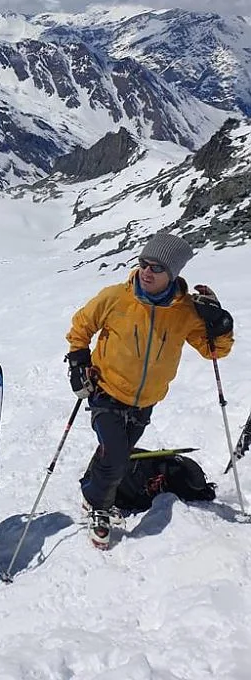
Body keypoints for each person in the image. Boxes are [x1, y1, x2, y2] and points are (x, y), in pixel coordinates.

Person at [66, 230, 234, 548]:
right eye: (144, 263)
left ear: (172, 274)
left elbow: (213, 350)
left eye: (157, 267)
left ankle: (98, 481)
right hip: (107, 390)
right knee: (116, 454)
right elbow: (82, 325)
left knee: (118, 453)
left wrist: (220, 324)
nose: (147, 271)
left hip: (146, 401)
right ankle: (97, 504)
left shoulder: (185, 312)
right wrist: (77, 359)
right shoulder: (116, 297)